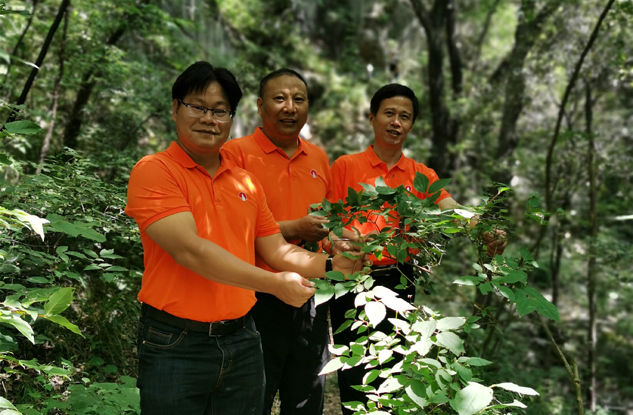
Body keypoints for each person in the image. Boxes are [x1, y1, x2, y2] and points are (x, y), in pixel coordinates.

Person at [125, 62, 364, 415]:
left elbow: (277, 249)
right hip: (176, 341)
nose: (209, 119)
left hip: (242, 338)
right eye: (197, 107)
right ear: (176, 108)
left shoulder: (244, 182)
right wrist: (274, 284)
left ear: (231, 117)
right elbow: (191, 251)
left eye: (219, 110)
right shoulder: (155, 171)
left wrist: (333, 265)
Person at [328, 83, 508, 415]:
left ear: (411, 125)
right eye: (389, 113)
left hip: (400, 278)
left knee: (393, 369)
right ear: (372, 117)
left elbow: (452, 209)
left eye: (405, 116)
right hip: (351, 278)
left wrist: (484, 228)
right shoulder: (345, 166)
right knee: (355, 371)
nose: (396, 122)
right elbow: (330, 221)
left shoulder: (420, 175)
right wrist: (342, 240)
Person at [222, 68, 351, 415]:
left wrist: (336, 244)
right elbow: (230, 227)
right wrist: (295, 227)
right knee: (252, 398)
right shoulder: (235, 153)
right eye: (279, 98)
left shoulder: (318, 157)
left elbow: (325, 225)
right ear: (260, 105)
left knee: (307, 395)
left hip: (312, 293)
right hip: (256, 294)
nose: (289, 107)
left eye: (299, 99)